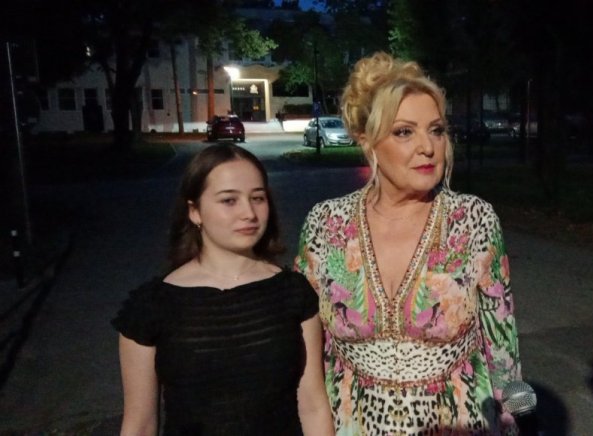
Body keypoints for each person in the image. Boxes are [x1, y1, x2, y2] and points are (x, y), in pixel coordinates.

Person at [295, 52, 522, 435]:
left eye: (436, 130)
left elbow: (504, 351)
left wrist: (515, 423)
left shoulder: (472, 220)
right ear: (367, 140)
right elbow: (305, 358)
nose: (428, 147)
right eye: (404, 132)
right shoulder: (325, 225)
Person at [113, 144, 334, 435]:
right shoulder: (150, 306)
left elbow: (313, 406)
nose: (249, 213)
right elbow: (140, 424)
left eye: (257, 198)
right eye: (229, 200)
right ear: (195, 211)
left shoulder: (294, 293)